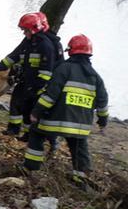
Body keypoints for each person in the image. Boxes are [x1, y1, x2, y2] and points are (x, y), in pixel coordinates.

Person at [23, 34, 109, 186]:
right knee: (79, 147)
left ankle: (31, 168)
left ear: (71, 51)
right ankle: (81, 179)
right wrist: (103, 120)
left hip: (54, 121)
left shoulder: (63, 69)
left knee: (36, 133)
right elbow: (103, 102)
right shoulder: (95, 76)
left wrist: (36, 112)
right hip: (80, 126)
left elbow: (50, 95)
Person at [0, 11, 63, 138]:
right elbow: (13, 56)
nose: (23, 33)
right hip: (25, 80)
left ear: (33, 29)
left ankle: (28, 134)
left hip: (37, 84)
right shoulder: (28, 41)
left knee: (28, 108)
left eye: (25, 30)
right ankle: (13, 130)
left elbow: (46, 71)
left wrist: (36, 88)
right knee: (15, 102)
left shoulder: (45, 45)